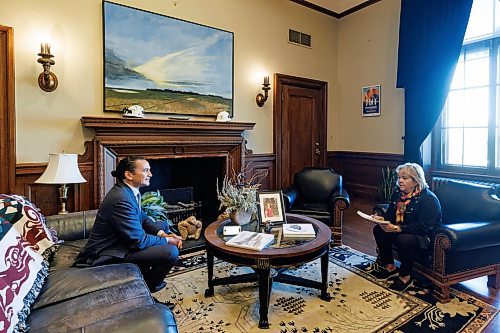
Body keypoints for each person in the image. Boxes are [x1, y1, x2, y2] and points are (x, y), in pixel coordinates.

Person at [74, 156, 182, 293]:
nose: (150, 174)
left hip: (123, 242)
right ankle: (147, 288)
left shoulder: (129, 191)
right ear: (129, 175)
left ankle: (147, 279)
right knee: (171, 252)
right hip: (110, 252)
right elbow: (138, 241)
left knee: (163, 226)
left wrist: (163, 234)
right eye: (146, 170)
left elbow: (143, 219)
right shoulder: (121, 199)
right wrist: (168, 240)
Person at [371, 163, 441, 292]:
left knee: (405, 239)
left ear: (416, 181)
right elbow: (391, 215)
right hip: (403, 229)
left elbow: (424, 227)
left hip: (424, 236)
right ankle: (390, 267)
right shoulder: (398, 194)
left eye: (405, 178)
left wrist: (397, 228)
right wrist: (382, 220)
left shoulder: (428, 199)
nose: (400, 181)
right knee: (379, 230)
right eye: (399, 178)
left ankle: (405, 276)